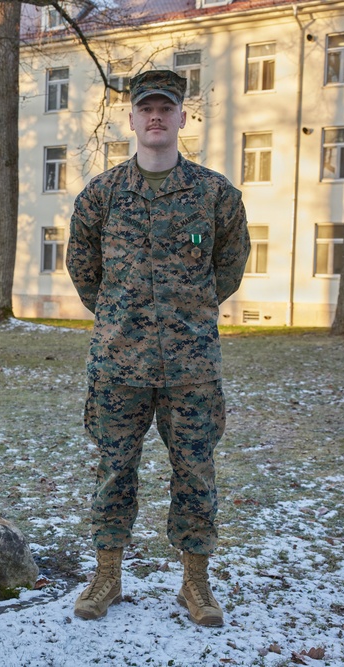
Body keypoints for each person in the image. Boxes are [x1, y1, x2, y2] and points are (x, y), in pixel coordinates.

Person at [66, 69, 250, 625]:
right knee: (114, 469)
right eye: (146, 108)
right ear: (131, 119)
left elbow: (231, 265)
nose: (155, 117)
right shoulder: (101, 195)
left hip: (191, 365)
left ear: (181, 119)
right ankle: (107, 579)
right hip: (118, 363)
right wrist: (123, 316)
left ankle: (195, 585)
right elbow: (83, 268)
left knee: (195, 470)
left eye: (165, 109)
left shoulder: (215, 195)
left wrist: (188, 312)